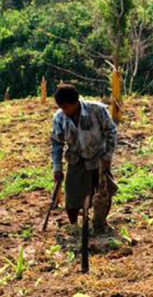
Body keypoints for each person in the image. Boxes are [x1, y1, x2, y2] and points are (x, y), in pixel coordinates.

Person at [51, 84, 118, 232]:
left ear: (76, 102)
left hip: (98, 157)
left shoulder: (97, 110)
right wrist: (57, 168)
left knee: (103, 194)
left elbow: (111, 132)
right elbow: (57, 144)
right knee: (72, 198)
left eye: (67, 107)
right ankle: (75, 227)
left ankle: (100, 223)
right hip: (76, 159)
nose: (65, 111)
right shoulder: (59, 117)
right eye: (62, 107)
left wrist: (107, 157)